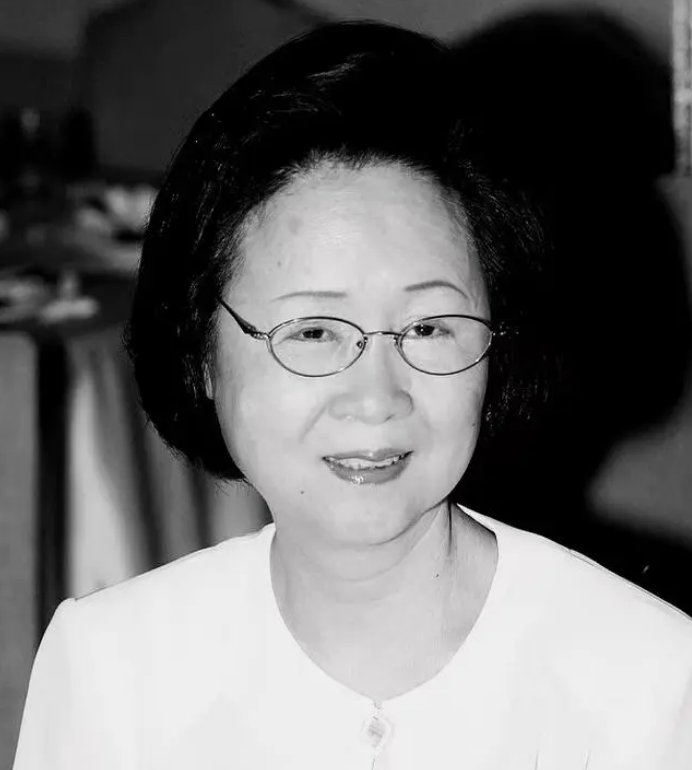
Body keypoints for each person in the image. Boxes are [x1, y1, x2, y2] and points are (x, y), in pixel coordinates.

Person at [12, 20, 692, 770]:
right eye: (313, 332)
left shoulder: (647, 684)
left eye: (429, 327)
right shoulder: (110, 671)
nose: (376, 399)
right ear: (200, 347)